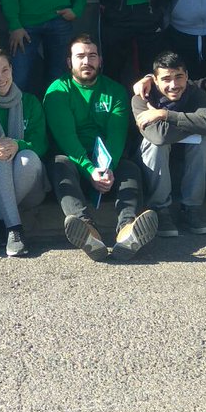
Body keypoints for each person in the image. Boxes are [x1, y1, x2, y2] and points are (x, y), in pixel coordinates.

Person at [45, 35, 158, 262]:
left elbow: (117, 136)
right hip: (75, 161)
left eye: (92, 56)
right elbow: (66, 137)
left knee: (130, 170)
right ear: (69, 62)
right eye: (80, 56)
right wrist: (89, 170)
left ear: (100, 61)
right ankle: (88, 231)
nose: (86, 61)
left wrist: (107, 170)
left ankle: (127, 230)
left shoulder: (115, 91)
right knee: (59, 164)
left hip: (108, 163)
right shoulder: (57, 91)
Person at [130, 51, 206, 238]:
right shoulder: (142, 98)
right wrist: (193, 124)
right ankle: (159, 209)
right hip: (152, 167)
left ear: (186, 76)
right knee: (156, 145)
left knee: (205, 141)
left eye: (179, 77)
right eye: (166, 79)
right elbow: (158, 136)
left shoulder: (196, 94)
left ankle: (191, 208)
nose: (173, 85)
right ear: (155, 80)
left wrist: (164, 115)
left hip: (186, 164)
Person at [0, 48, 48, 257]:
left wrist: (18, 145)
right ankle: (14, 229)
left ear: (12, 70)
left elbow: (42, 145)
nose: (0, 78)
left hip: (31, 186)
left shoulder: (30, 102)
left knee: (28, 158)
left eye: (4, 70)